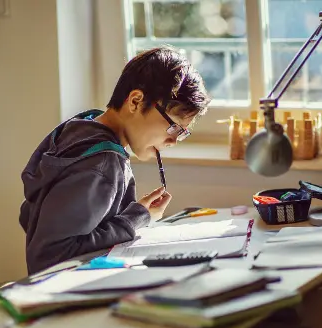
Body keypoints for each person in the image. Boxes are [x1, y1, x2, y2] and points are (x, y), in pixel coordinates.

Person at [19, 46, 211, 274]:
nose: (173, 141)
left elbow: (36, 217)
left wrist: (138, 213)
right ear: (136, 102)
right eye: (173, 127)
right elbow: (50, 257)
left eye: (182, 132)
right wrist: (135, 219)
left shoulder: (81, 128)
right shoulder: (101, 163)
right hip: (71, 291)